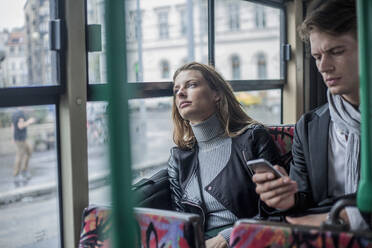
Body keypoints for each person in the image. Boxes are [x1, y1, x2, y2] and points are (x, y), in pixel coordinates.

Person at [252, 0, 369, 230]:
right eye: (317, 57)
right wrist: (286, 199)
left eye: (336, 52)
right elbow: (303, 198)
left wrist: (347, 218)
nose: (324, 67)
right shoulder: (308, 126)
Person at [168, 62, 281, 247]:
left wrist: (229, 236)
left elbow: (276, 209)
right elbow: (181, 222)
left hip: (250, 240)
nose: (180, 93)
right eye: (176, 89)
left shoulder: (252, 138)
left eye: (191, 85)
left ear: (217, 94)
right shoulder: (178, 158)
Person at [11, 108, 35, 182]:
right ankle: (16, 175)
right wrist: (29, 121)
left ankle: (24, 170)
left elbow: (12, 126)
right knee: (20, 156)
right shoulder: (20, 114)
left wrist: (12, 137)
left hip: (19, 138)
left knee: (29, 151)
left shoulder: (14, 113)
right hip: (21, 139)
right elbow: (20, 126)